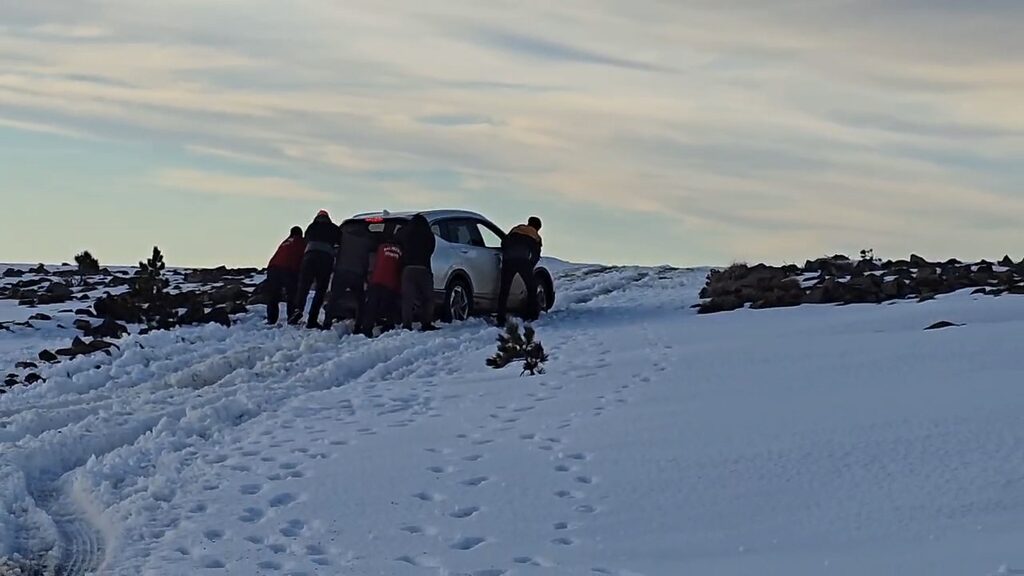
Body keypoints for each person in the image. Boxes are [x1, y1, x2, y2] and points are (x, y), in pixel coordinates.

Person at [290, 210, 338, 329]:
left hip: (309, 257)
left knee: (304, 286)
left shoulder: (311, 227)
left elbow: (306, 240)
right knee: (320, 290)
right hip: (325, 258)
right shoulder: (334, 228)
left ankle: (298, 309)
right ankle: (312, 319)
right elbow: (340, 243)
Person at [324, 223, 374, 330]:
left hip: (341, 271)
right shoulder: (367, 240)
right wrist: (365, 275)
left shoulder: (344, 235)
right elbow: (365, 260)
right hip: (357, 273)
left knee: (334, 298)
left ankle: (326, 323)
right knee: (360, 301)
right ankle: (358, 325)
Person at [496, 216, 543, 326]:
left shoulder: (515, 229)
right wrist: (530, 266)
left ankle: (501, 318)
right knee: (531, 288)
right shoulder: (536, 236)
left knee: (504, 290)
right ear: (538, 227)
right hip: (523, 261)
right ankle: (531, 315)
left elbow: (504, 243)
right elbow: (536, 255)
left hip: (508, 260)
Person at [398, 214, 437, 331]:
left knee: (407, 299)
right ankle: (426, 323)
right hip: (423, 268)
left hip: (407, 269)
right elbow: (431, 250)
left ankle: (406, 325)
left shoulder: (404, 234)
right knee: (427, 298)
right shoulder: (428, 235)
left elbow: (398, 244)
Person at [360, 231, 403, 337]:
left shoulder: (381, 248)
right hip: (390, 283)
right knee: (389, 306)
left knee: (371, 305)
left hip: (376, 280)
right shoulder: (400, 251)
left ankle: (366, 328)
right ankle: (388, 326)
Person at [264, 226, 305, 325]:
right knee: (292, 294)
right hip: (289, 269)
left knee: (273, 295)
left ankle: (271, 319)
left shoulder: (285, 242)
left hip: (273, 268)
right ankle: (291, 317)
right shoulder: (301, 242)